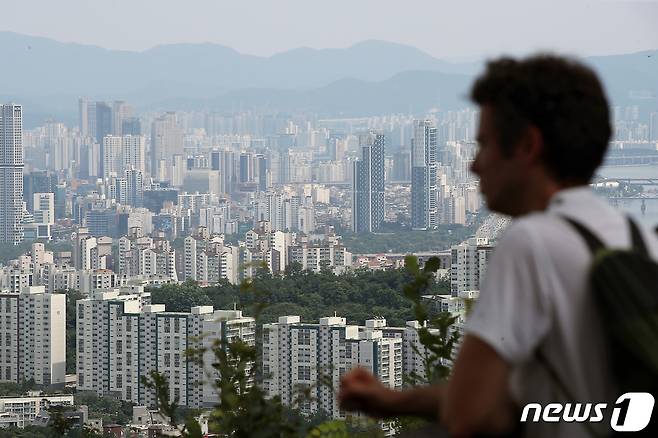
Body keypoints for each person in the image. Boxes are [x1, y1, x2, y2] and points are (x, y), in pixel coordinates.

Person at [338, 54, 658, 437]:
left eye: (485, 144)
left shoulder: (532, 242)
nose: (475, 165)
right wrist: (393, 401)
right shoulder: (637, 237)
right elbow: (516, 401)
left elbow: (468, 416)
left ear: (526, 145)